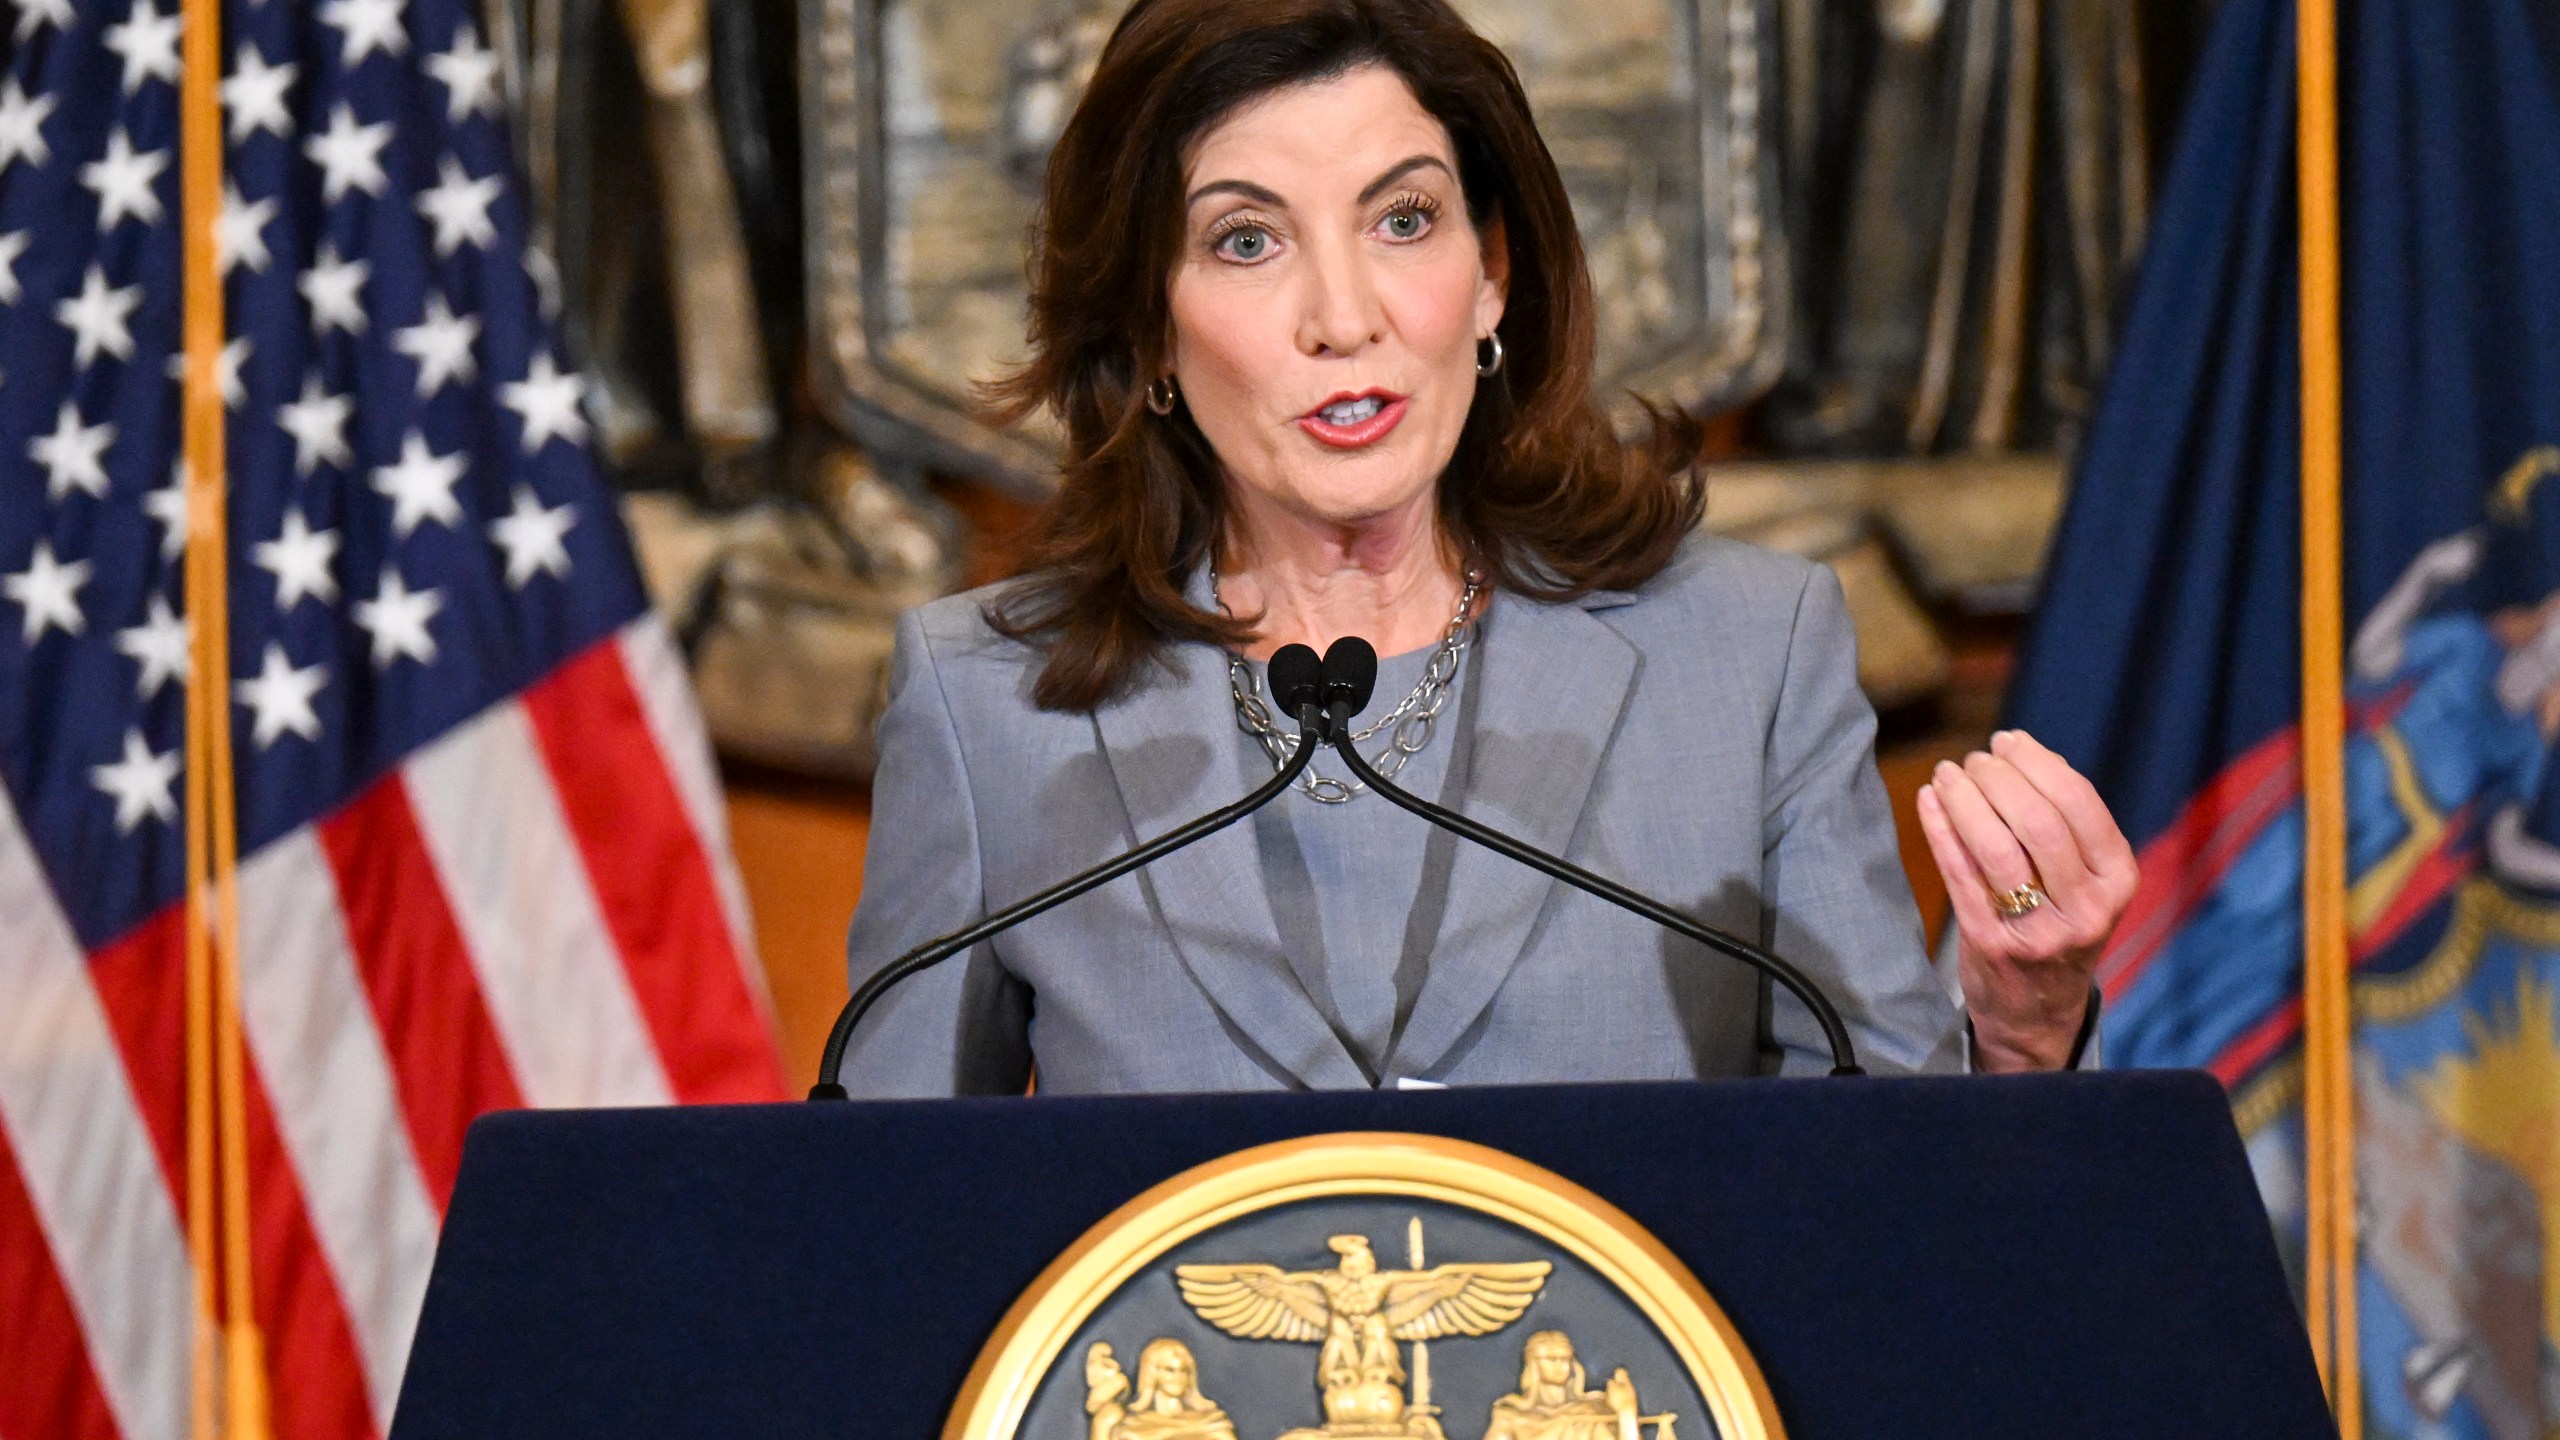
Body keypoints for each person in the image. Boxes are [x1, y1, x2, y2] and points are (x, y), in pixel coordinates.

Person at [839, 0, 2136, 1096]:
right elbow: (895, 1235)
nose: (1342, 316)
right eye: (1248, 240)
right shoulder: (988, 707)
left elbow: (1888, 1209)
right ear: (1152, 326)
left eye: (1402, 220)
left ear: (1493, 271)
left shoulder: (1747, 659)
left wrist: (2022, 1032)